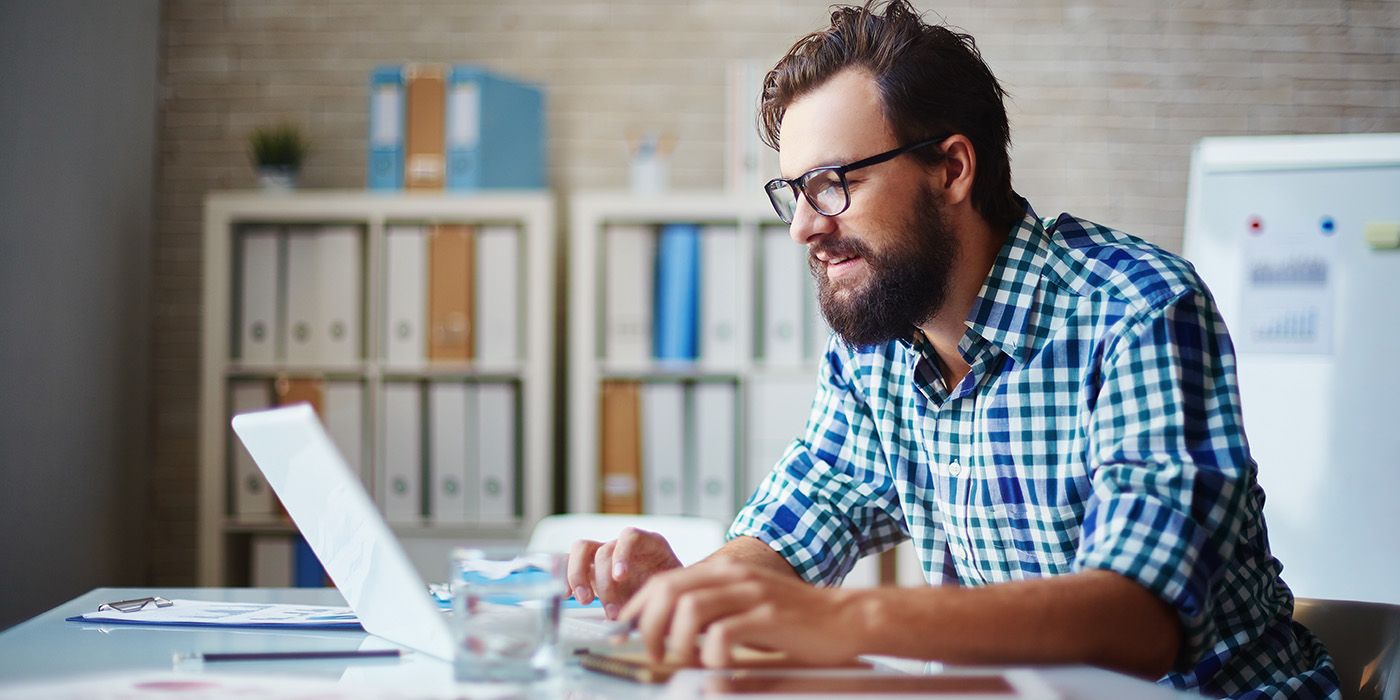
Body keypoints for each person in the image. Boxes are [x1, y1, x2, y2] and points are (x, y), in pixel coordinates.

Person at [568, 2, 1340, 697]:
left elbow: (1137, 624)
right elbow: (795, 528)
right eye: (793, 192)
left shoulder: (1138, 309)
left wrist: (834, 622)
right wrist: (695, 596)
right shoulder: (879, 343)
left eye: (833, 182)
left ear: (952, 168)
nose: (804, 225)